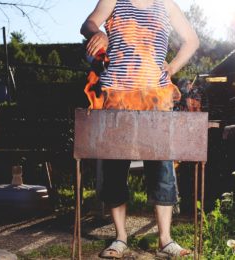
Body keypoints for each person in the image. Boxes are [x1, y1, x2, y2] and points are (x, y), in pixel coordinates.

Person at [81, 0, 199, 258]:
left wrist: (172, 67)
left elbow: (192, 39)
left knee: (163, 169)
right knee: (114, 168)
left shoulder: (166, 4)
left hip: (155, 97)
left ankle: (165, 240)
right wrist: (97, 32)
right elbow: (88, 23)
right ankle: (120, 238)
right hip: (117, 95)